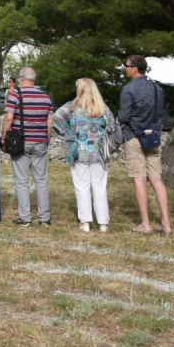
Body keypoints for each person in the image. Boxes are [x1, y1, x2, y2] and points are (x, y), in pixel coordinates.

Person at [52, 78, 115, 233]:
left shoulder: (71, 106)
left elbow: (55, 119)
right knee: (100, 187)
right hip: (99, 153)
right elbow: (113, 126)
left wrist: (69, 134)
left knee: (81, 187)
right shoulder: (102, 107)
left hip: (78, 151)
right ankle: (103, 223)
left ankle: (85, 222)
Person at [118, 55, 172, 234]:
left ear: (135, 68)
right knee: (156, 179)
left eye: (126, 66)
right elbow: (160, 114)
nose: (125, 68)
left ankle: (145, 224)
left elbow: (124, 116)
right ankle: (166, 223)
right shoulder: (157, 88)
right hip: (152, 136)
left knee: (139, 178)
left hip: (134, 136)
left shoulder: (128, 89)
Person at [3, 67, 54, 227]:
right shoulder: (46, 97)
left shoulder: (15, 95)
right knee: (41, 180)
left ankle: (25, 217)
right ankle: (44, 218)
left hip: (21, 142)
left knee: (21, 180)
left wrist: (4, 137)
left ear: (21, 78)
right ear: (34, 79)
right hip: (41, 142)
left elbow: (9, 118)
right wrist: (47, 139)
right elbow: (50, 123)